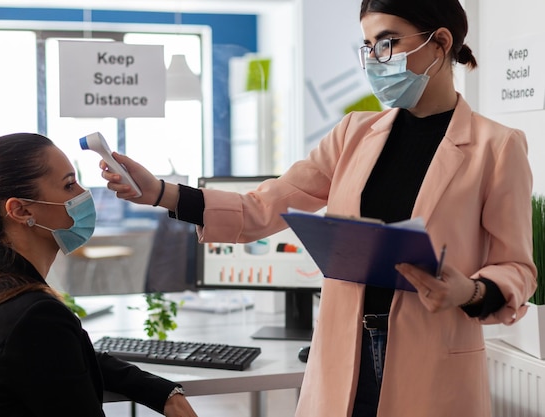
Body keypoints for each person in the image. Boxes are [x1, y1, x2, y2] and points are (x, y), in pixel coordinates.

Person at [100, 0, 537, 416]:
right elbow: (263, 206)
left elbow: (517, 267)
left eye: (388, 42)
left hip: (433, 357)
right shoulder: (353, 132)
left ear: (440, 42)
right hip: (344, 353)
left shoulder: (497, 147)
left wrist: (471, 291)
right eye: (367, 47)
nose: (375, 59)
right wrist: (161, 192)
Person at [0, 133, 199, 417]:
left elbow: (63, 357)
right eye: (69, 185)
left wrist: (162, 392)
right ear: (20, 210)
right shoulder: (35, 316)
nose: (83, 194)